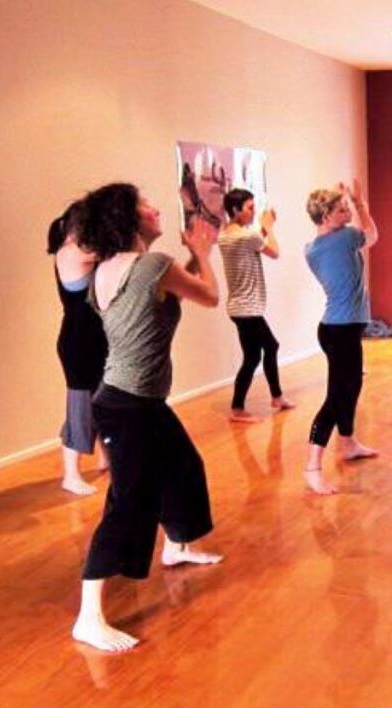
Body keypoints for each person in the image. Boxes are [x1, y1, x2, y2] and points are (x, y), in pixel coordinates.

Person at [72, 183, 223, 652]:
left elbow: (168, 296)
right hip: (126, 405)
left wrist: (195, 254)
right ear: (129, 218)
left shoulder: (105, 271)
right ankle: (88, 616)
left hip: (134, 400)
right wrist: (201, 251)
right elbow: (210, 296)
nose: (156, 208)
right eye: (145, 204)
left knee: (183, 468)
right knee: (127, 504)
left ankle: (176, 546)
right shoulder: (154, 266)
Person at [303, 180, 379, 495]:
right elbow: (373, 235)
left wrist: (354, 205)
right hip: (342, 330)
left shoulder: (313, 248)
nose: (346, 210)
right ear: (324, 217)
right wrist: (361, 203)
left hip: (336, 329)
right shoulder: (345, 238)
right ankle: (312, 468)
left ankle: (347, 443)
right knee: (337, 397)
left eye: (346, 206)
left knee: (352, 386)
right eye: (340, 208)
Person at [48, 202, 109, 495]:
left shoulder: (85, 250)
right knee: (81, 407)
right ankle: (70, 475)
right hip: (78, 342)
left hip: (94, 339)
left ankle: (105, 458)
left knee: (102, 398)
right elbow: (114, 253)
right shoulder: (71, 252)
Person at [217, 188, 294, 422]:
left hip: (239, 308)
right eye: (249, 208)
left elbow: (253, 241)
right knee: (270, 347)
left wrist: (262, 229)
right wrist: (269, 226)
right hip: (247, 309)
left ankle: (269, 399)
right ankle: (249, 405)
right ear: (235, 210)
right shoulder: (245, 236)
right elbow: (275, 252)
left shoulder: (226, 235)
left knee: (253, 356)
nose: (253, 212)